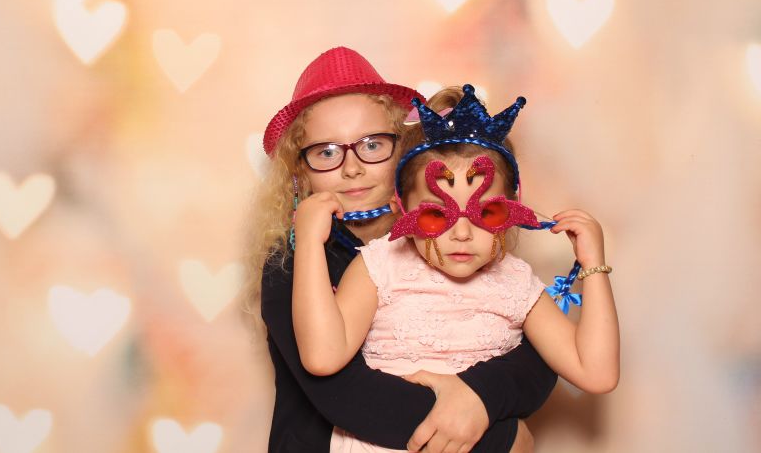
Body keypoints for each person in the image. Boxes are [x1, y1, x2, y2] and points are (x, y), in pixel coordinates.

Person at [244, 47, 556, 453]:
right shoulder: (289, 262)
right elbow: (346, 394)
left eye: (373, 145)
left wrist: (481, 396)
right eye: (326, 152)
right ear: (299, 171)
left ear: (406, 150)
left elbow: (540, 354)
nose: (352, 168)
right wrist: (501, 438)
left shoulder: (446, 238)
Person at [291, 84, 621, 452]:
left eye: (486, 213)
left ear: (513, 208)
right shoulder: (379, 267)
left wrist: (593, 266)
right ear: (401, 208)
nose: (462, 234)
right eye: (437, 215)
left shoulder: (515, 283)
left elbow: (596, 373)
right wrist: (309, 243)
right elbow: (322, 357)